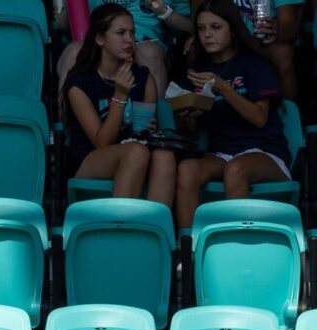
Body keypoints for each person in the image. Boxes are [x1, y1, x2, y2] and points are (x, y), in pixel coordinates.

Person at [174, 0, 289, 228]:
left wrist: (223, 88)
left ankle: (233, 247)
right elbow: (190, 131)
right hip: (221, 152)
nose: (207, 35)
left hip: (264, 150)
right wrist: (188, 115)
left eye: (216, 27)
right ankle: (189, 251)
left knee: (235, 169)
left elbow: (259, 118)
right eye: (201, 28)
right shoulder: (196, 70)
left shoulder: (254, 63)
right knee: (187, 169)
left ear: (233, 31)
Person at [63, 4, 176, 204]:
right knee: (136, 151)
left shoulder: (143, 78)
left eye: (132, 32)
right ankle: (122, 228)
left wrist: (147, 127)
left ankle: (154, 230)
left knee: (164, 157)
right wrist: (120, 96)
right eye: (121, 33)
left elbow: (141, 133)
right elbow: (102, 142)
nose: (130, 40)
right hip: (91, 157)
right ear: (100, 39)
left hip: (134, 149)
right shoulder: (79, 84)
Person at [57, 0, 194, 97]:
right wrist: (69, 6)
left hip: (144, 44)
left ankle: (159, 129)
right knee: (74, 52)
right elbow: (62, 26)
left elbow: (193, 27)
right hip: (97, 44)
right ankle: (67, 129)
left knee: (148, 53)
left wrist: (163, 10)